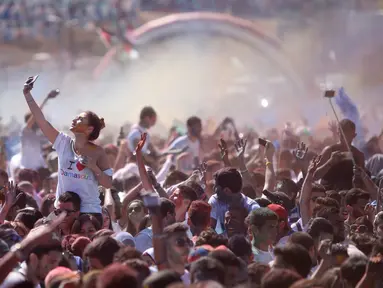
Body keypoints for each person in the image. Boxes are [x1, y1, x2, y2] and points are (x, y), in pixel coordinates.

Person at [23, 79, 112, 225]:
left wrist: (94, 167)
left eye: (80, 119)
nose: (74, 119)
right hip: (62, 212)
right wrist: (27, 95)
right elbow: (42, 121)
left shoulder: (98, 152)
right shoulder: (63, 143)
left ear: (89, 129)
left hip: (88, 213)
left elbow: (108, 183)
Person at [9, 90, 58, 180]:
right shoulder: (25, 131)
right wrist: (46, 99)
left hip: (39, 169)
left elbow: (37, 149)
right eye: (35, 120)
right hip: (28, 170)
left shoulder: (36, 134)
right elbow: (36, 113)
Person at [314, 119, 365, 190]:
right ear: (338, 133)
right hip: (329, 196)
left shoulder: (358, 155)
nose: (344, 136)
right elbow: (315, 175)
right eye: (342, 133)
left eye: (347, 133)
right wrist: (330, 162)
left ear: (354, 135)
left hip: (350, 196)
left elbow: (364, 182)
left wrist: (359, 174)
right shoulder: (329, 150)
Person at [209, 167, 259, 234]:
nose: (213, 188)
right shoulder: (215, 201)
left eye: (216, 186)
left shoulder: (252, 208)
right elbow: (209, 230)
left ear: (226, 190)